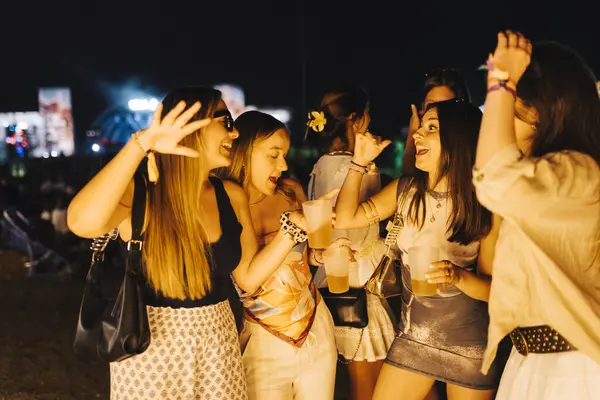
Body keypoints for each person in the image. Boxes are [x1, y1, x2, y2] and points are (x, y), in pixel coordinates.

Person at [67, 87, 313, 399]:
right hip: (150, 348)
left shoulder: (230, 196)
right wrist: (140, 144)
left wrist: (292, 230)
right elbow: (80, 223)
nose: (234, 132)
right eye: (225, 121)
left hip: (219, 342)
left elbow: (249, 279)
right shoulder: (142, 193)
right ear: (191, 126)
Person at [335, 99, 500, 400]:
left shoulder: (484, 204)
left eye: (432, 128)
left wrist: (458, 277)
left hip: (469, 345)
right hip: (413, 338)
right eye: (421, 127)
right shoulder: (406, 190)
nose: (417, 134)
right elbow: (346, 217)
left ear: (458, 139)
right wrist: (358, 163)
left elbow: (495, 291)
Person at [473, 31, 600, 399]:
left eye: (510, 109)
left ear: (541, 113)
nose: (497, 125)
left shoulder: (578, 173)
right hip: (535, 361)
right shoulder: (551, 179)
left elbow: (493, 176)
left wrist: (501, 81)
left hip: (572, 368)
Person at [219, 110, 338, 399]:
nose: (283, 165)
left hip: (315, 328)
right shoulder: (228, 201)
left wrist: (322, 255)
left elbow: (304, 258)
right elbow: (247, 279)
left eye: (284, 155)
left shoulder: (290, 191)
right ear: (244, 152)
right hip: (263, 341)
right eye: (273, 155)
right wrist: (292, 227)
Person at [306, 85, 395, 400]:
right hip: (357, 284)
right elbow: (357, 226)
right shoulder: (353, 169)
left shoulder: (321, 165)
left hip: (330, 282)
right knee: (368, 387)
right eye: (367, 114)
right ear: (356, 120)